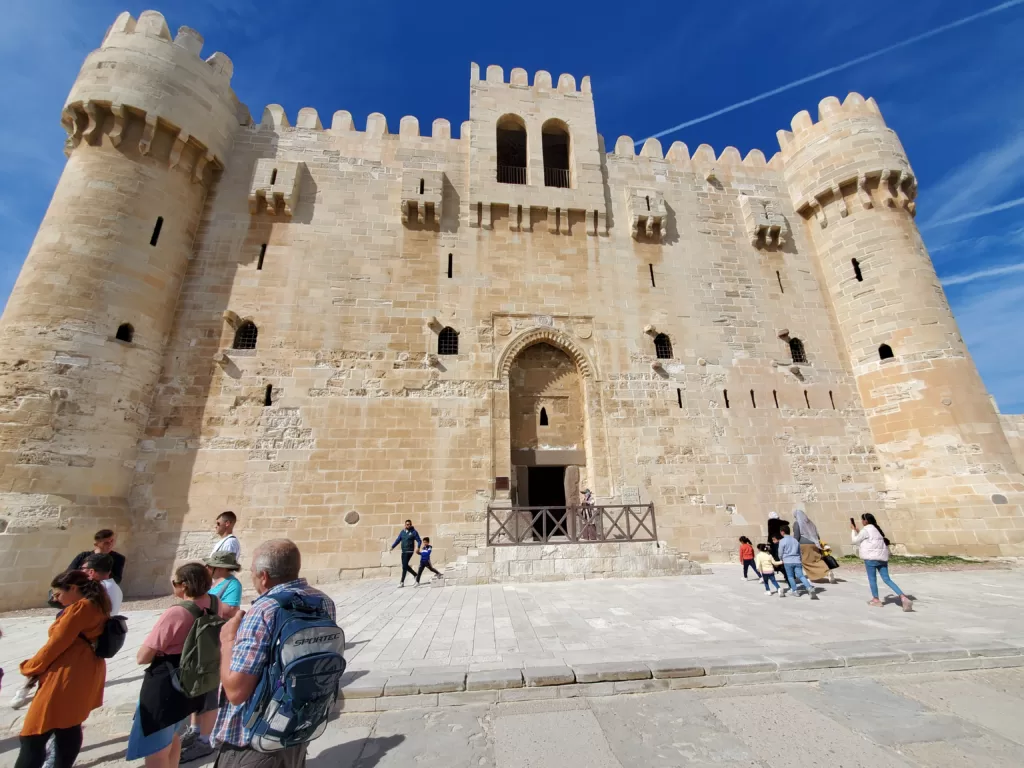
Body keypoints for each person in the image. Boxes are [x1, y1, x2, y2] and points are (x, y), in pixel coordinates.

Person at [214, 539, 336, 768]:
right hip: (295, 730)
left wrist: (227, 640)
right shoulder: (323, 602)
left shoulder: (263, 610)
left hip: (252, 743)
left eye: (252, 571)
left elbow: (236, 692)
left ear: (264, 576)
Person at [126, 563, 229, 768]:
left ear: (184, 585)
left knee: (156, 747)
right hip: (191, 681)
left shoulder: (176, 612)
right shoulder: (215, 602)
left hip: (166, 683)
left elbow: (143, 656)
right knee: (172, 735)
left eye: (175, 582)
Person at [15, 570, 109, 768]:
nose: (56, 599)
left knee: (34, 733)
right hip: (86, 669)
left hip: (67, 672)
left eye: (58, 594)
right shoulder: (99, 603)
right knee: (69, 726)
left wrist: (30, 666)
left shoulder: (81, 608)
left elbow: (56, 644)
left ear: (73, 588)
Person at [179, 552, 244, 762]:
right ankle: (195, 729)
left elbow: (232, 609)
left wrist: (204, 602)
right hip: (199, 639)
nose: (208, 568)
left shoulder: (232, 584)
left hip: (213, 639)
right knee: (196, 685)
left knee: (208, 689)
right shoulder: (215, 583)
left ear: (221, 567)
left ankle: (204, 740)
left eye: (211, 565)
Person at [852, 513, 913, 611]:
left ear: (865, 521)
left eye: (862, 520)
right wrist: (858, 531)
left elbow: (855, 540)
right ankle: (903, 597)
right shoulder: (877, 530)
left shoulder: (865, 530)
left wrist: (853, 530)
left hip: (871, 558)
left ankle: (876, 599)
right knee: (887, 579)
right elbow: (868, 539)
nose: (862, 521)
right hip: (882, 558)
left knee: (872, 579)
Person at [792, 509, 837, 584]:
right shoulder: (811, 523)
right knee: (817, 559)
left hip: (804, 545)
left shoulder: (797, 523)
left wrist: (793, 546)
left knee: (805, 561)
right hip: (815, 544)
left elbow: (796, 536)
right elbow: (817, 535)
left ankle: (813, 576)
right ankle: (827, 571)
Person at [775, 524, 818, 599]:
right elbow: (799, 551)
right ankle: (810, 588)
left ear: (782, 532)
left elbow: (780, 552)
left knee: (790, 576)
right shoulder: (795, 540)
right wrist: (800, 559)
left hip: (788, 561)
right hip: (797, 560)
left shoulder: (782, 541)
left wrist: (781, 558)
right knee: (801, 576)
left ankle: (794, 590)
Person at [390, 519, 421, 587]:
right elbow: (398, 540)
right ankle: (415, 575)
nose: (408, 525)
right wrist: (393, 546)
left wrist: (418, 547)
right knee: (405, 566)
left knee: (404, 566)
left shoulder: (414, 532)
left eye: (409, 524)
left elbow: (419, 540)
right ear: (405, 525)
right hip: (403, 551)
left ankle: (402, 582)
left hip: (409, 551)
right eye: (407, 524)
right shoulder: (402, 532)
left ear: (411, 525)